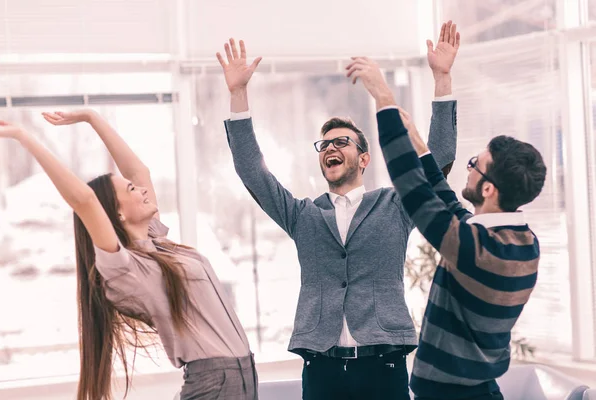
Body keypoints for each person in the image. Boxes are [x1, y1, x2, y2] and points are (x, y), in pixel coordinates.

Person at [216, 21, 460, 400]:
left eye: (341, 141)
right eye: (324, 144)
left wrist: (442, 78)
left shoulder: (394, 206)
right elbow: (252, 171)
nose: (330, 147)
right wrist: (238, 94)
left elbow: (439, 159)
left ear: (363, 159)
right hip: (322, 367)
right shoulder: (303, 216)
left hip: (384, 364)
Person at [0, 110, 257, 400]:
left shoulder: (158, 245)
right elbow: (83, 200)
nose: (144, 190)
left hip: (241, 375)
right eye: (132, 190)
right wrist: (24, 137)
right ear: (118, 213)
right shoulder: (127, 269)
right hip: (215, 382)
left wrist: (92, 118)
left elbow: (139, 171)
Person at [352, 45, 546, 400]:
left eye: (475, 164)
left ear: (488, 188)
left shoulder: (474, 248)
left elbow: (412, 188)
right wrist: (418, 140)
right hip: (479, 390)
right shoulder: (522, 243)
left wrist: (383, 97)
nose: (468, 168)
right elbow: (450, 207)